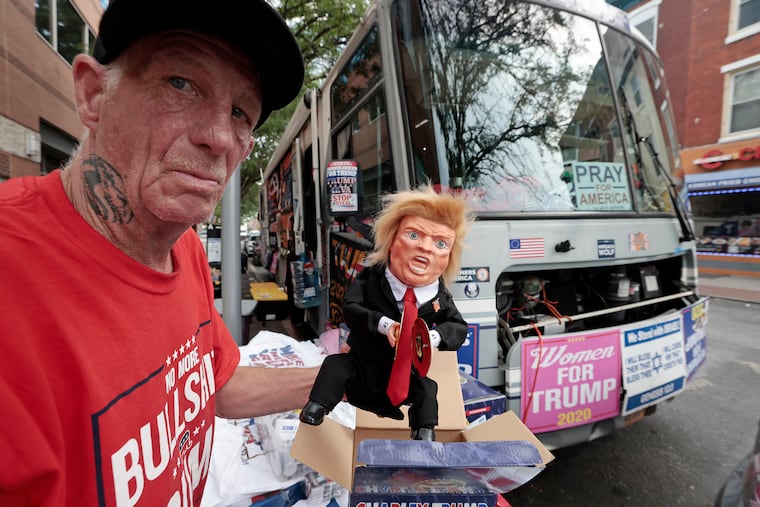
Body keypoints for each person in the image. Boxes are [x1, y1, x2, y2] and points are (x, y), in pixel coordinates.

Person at [0, 0, 318, 504]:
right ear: (92, 96)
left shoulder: (184, 248)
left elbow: (215, 381)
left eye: (240, 112)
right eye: (180, 83)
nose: (217, 137)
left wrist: (336, 377)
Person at [300, 187, 472, 441]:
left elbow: (457, 327)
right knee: (335, 366)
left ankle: (423, 430)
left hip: (405, 377)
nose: (426, 248)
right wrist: (382, 325)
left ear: (449, 256)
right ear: (391, 240)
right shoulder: (371, 279)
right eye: (414, 235)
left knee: (427, 389)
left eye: (440, 243)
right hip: (362, 365)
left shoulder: (439, 297)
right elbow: (350, 308)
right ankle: (318, 406)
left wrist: (431, 337)